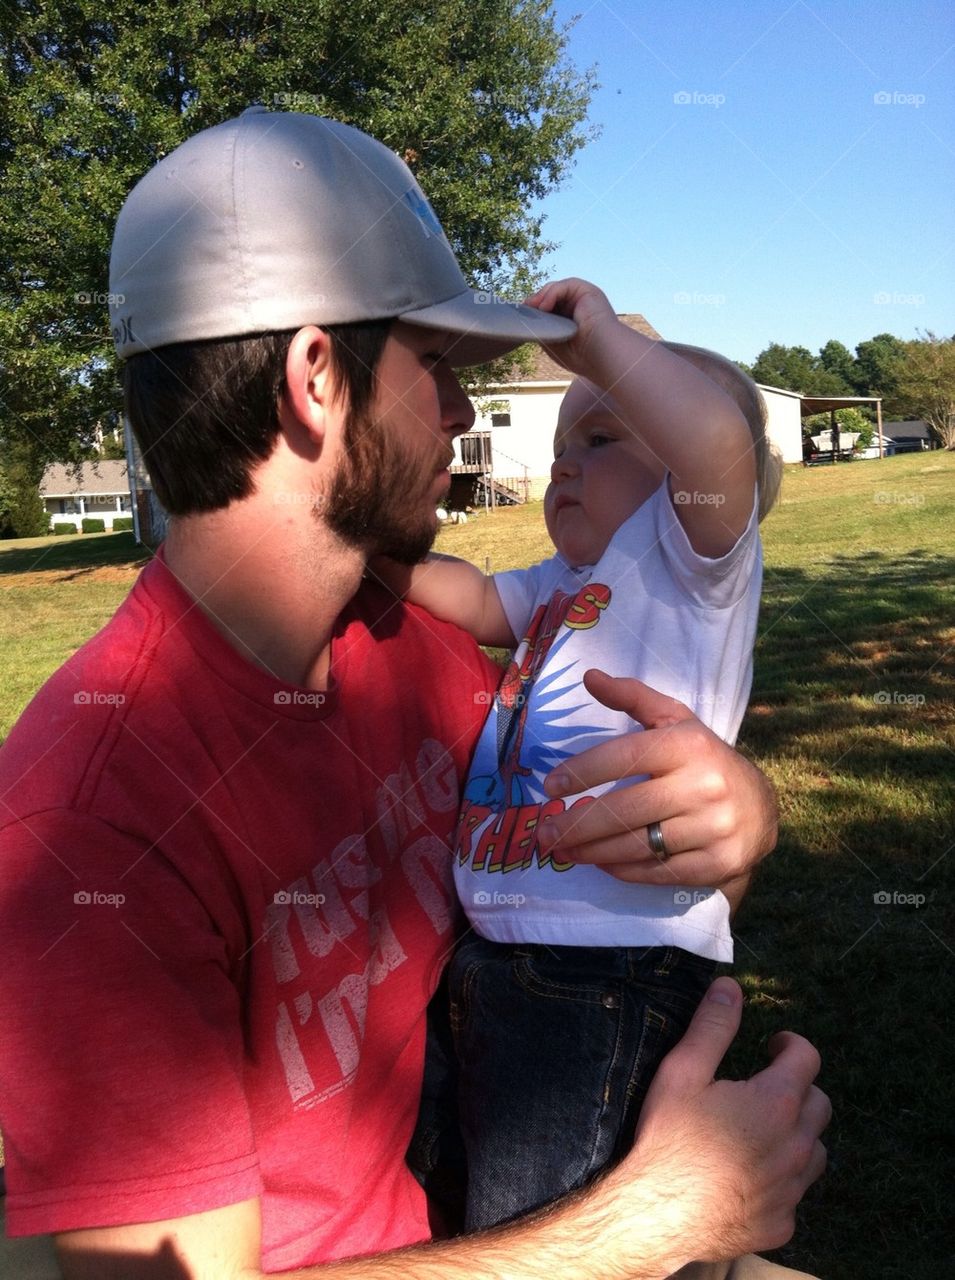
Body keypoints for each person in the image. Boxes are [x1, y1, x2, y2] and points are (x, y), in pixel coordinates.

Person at [0, 108, 828, 1280]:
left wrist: (735, 809)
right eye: (435, 366)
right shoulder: (86, 827)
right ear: (315, 380)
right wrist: (649, 1219)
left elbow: (585, 802)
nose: (459, 414)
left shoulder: (409, 644)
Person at [375, 278, 783, 1229]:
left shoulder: (690, 560)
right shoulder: (562, 582)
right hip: (500, 959)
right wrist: (372, 554)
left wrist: (602, 343)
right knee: (479, 1206)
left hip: (606, 967)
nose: (566, 466)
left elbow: (714, 442)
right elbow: (473, 600)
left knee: (553, 1218)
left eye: (601, 440)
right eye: (561, 447)